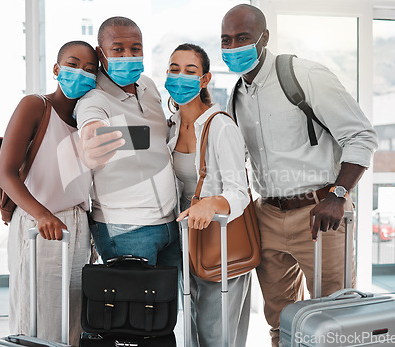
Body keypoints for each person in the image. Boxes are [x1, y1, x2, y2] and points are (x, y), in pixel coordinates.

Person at [221, 4, 378, 346]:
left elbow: (361, 136)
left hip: (320, 213)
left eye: (242, 38)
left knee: (334, 319)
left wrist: (338, 195)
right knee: (281, 321)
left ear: (264, 37)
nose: (233, 47)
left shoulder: (304, 75)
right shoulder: (235, 95)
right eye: (226, 40)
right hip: (267, 215)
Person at [0, 41, 98, 345]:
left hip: (77, 229)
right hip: (39, 225)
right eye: (72, 64)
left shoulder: (90, 122)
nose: (80, 72)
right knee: (36, 319)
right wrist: (43, 215)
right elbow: (6, 173)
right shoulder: (35, 106)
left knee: (72, 321)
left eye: (90, 69)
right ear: (56, 69)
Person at [74, 17, 180, 269]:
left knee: (168, 306)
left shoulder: (149, 85)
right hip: (124, 229)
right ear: (101, 53)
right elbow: (91, 131)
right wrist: (92, 143)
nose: (128, 55)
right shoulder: (93, 98)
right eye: (118, 49)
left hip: (168, 222)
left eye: (135, 49)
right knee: (132, 309)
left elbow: (158, 138)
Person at [166, 43, 252, 347]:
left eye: (190, 71)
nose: (180, 77)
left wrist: (212, 203)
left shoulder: (220, 126)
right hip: (186, 241)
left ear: (205, 79)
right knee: (191, 329)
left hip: (219, 241)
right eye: (174, 69)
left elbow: (239, 192)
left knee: (217, 335)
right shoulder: (171, 126)